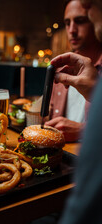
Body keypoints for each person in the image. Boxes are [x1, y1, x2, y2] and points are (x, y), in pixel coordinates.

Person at [0, 0, 102, 224]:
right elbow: (42, 113)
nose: (71, 29)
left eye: (84, 18)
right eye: (67, 22)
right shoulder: (66, 73)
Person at [45, 0, 102, 142]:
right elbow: (48, 115)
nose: (71, 30)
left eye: (80, 21)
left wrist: (84, 131)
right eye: (67, 23)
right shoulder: (61, 67)